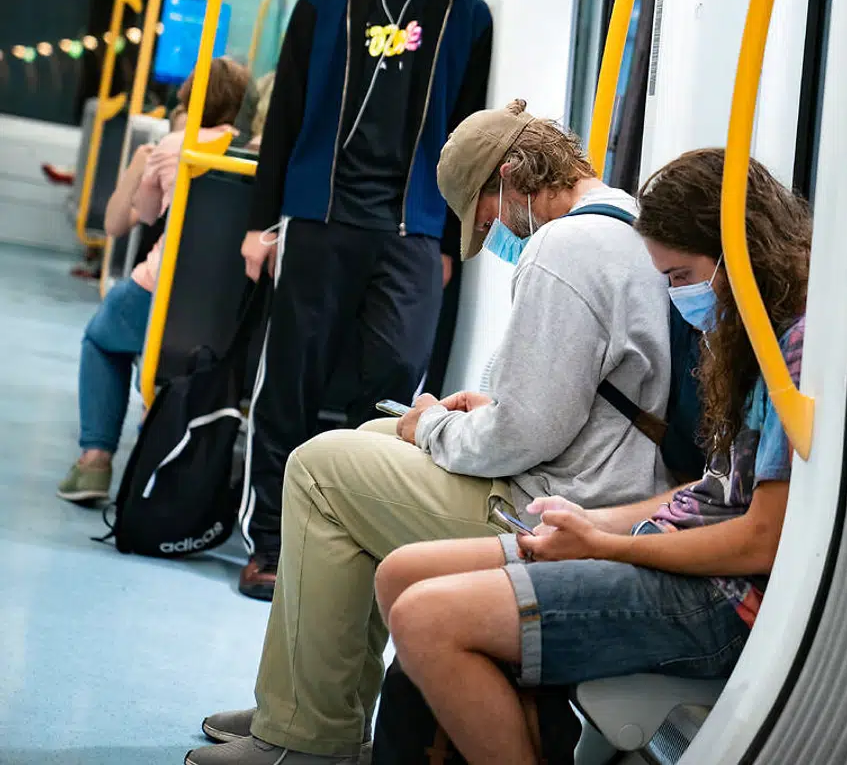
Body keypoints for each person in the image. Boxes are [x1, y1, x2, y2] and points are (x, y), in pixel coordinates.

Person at [188, 101, 673, 765]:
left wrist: (438, 426)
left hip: (551, 509)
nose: (497, 235)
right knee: (374, 435)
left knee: (320, 468)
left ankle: (309, 735)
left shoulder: (565, 247)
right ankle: (306, 700)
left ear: (510, 177)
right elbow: (565, 402)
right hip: (585, 479)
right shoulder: (618, 221)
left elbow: (525, 434)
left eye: (487, 218)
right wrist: (461, 417)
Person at [367, 148, 809, 765]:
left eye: (680, 277)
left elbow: (760, 540)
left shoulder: (795, 351)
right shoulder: (749, 341)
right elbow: (714, 489)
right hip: (676, 548)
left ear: (736, 256)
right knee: (401, 573)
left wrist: (604, 545)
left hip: (720, 599)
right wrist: (591, 521)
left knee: (426, 618)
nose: (677, 296)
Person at [235, 0, 493, 600]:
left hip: (411, 230)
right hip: (320, 216)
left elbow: (470, 137)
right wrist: (261, 223)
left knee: (388, 391)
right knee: (291, 382)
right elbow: (282, 119)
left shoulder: (463, 15)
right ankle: (272, 544)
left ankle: (350, 546)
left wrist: (450, 243)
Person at [57, 57, 251, 503]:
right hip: (225, 308)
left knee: (102, 339)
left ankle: (95, 462)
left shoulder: (175, 147)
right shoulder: (253, 155)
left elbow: (141, 216)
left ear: (188, 99)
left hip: (160, 293)